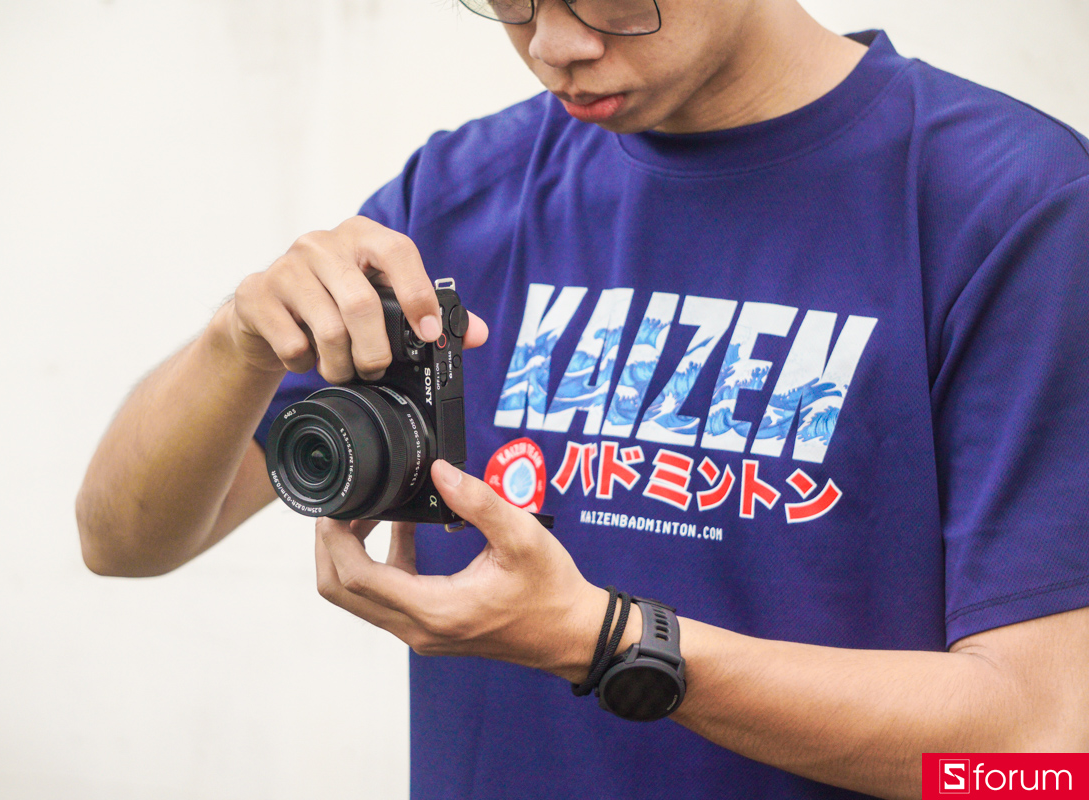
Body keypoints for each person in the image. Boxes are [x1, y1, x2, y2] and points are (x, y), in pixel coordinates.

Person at [76, 0, 1089, 797]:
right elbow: (124, 541)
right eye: (511, 1)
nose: (555, 44)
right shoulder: (462, 192)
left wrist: (606, 642)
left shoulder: (1008, 202)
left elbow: (1041, 761)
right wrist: (237, 343)